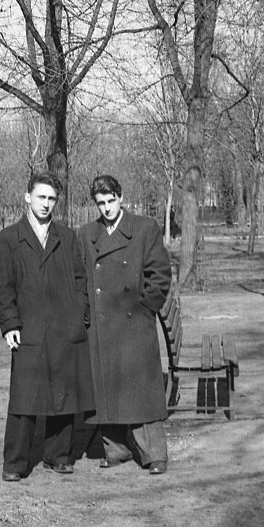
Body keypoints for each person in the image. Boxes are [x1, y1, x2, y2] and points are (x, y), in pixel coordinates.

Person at [0, 171, 94, 482]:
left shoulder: (67, 237)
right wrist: (10, 323)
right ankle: (15, 463)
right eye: (41, 197)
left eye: (52, 198)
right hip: (29, 328)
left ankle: (58, 455)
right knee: (24, 396)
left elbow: (80, 280)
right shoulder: (10, 238)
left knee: (63, 394)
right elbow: (4, 288)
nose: (46, 204)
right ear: (28, 197)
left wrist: (79, 315)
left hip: (64, 328)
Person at [77, 175, 173, 475]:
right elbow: (80, 276)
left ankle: (154, 454)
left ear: (121, 198)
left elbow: (160, 274)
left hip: (134, 322)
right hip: (101, 324)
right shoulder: (87, 233)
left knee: (141, 389)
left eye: (111, 201)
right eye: (100, 203)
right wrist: (86, 313)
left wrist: (144, 309)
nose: (106, 208)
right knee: (106, 387)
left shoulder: (144, 228)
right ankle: (116, 449)